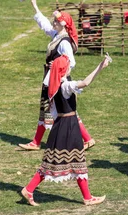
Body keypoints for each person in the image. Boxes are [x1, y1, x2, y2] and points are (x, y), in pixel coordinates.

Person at [21, 55, 110, 206]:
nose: (70, 67)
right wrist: (100, 66)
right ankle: (87, 198)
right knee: (76, 159)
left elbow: (54, 111)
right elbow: (85, 83)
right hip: (69, 125)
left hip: (61, 125)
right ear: (64, 70)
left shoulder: (54, 86)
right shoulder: (65, 86)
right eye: (68, 65)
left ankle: (29, 189)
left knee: (54, 161)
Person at [18, 0, 95, 151]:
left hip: (57, 80)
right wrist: (35, 5)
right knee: (50, 108)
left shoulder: (64, 42)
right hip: (52, 78)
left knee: (58, 108)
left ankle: (37, 142)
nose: (53, 23)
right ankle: (37, 141)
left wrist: (61, 74)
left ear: (63, 25)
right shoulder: (58, 35)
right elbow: (45, 26)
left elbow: (71, 62)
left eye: (56, 21)